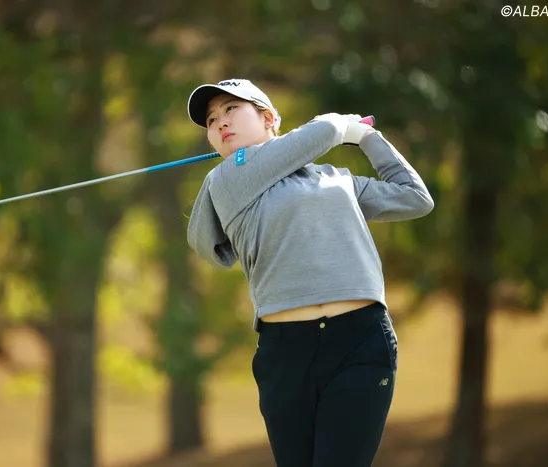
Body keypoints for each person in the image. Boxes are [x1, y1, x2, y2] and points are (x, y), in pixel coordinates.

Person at [185, 78, 434, 467]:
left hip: (360, 340)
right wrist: (345, 126)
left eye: (231, 109)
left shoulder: (338, 179)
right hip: (287, 352)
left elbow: (415, 198)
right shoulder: (227, 178)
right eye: (212, 120)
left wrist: (370, 139)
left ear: (269, 118)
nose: (220, 123)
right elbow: (322, 131)